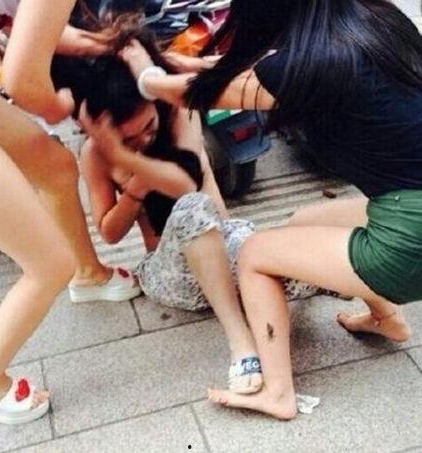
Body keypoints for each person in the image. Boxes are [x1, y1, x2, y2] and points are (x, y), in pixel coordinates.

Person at [120, 0, 422, 419]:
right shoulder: (375, 19)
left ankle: (278, 394)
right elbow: (258, 73)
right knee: (304, 223)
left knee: (256, 254)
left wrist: (145, 74)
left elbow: (194, 95)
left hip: (419, 232)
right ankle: (387, 318)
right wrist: (188, 64)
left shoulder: (308, 65)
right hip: (414, 203)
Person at [53, 30, 320, 394]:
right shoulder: (95, 154)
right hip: (169, 272)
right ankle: (241, 343)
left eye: (148, 127)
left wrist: (131, 160)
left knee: (302, 255)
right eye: (127, 139)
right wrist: (134, 184)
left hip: (226, 244)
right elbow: (110, 232)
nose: (143, 140)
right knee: (192, 210)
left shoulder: (178, 114)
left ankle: (376, 306)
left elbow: (188, 182)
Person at [0, 0, 134, 425]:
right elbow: (24, 83)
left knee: (55, 166)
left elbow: (32, 27)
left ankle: (89, 274)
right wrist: (64, 106)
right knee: (49, 266)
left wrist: (99, 44)